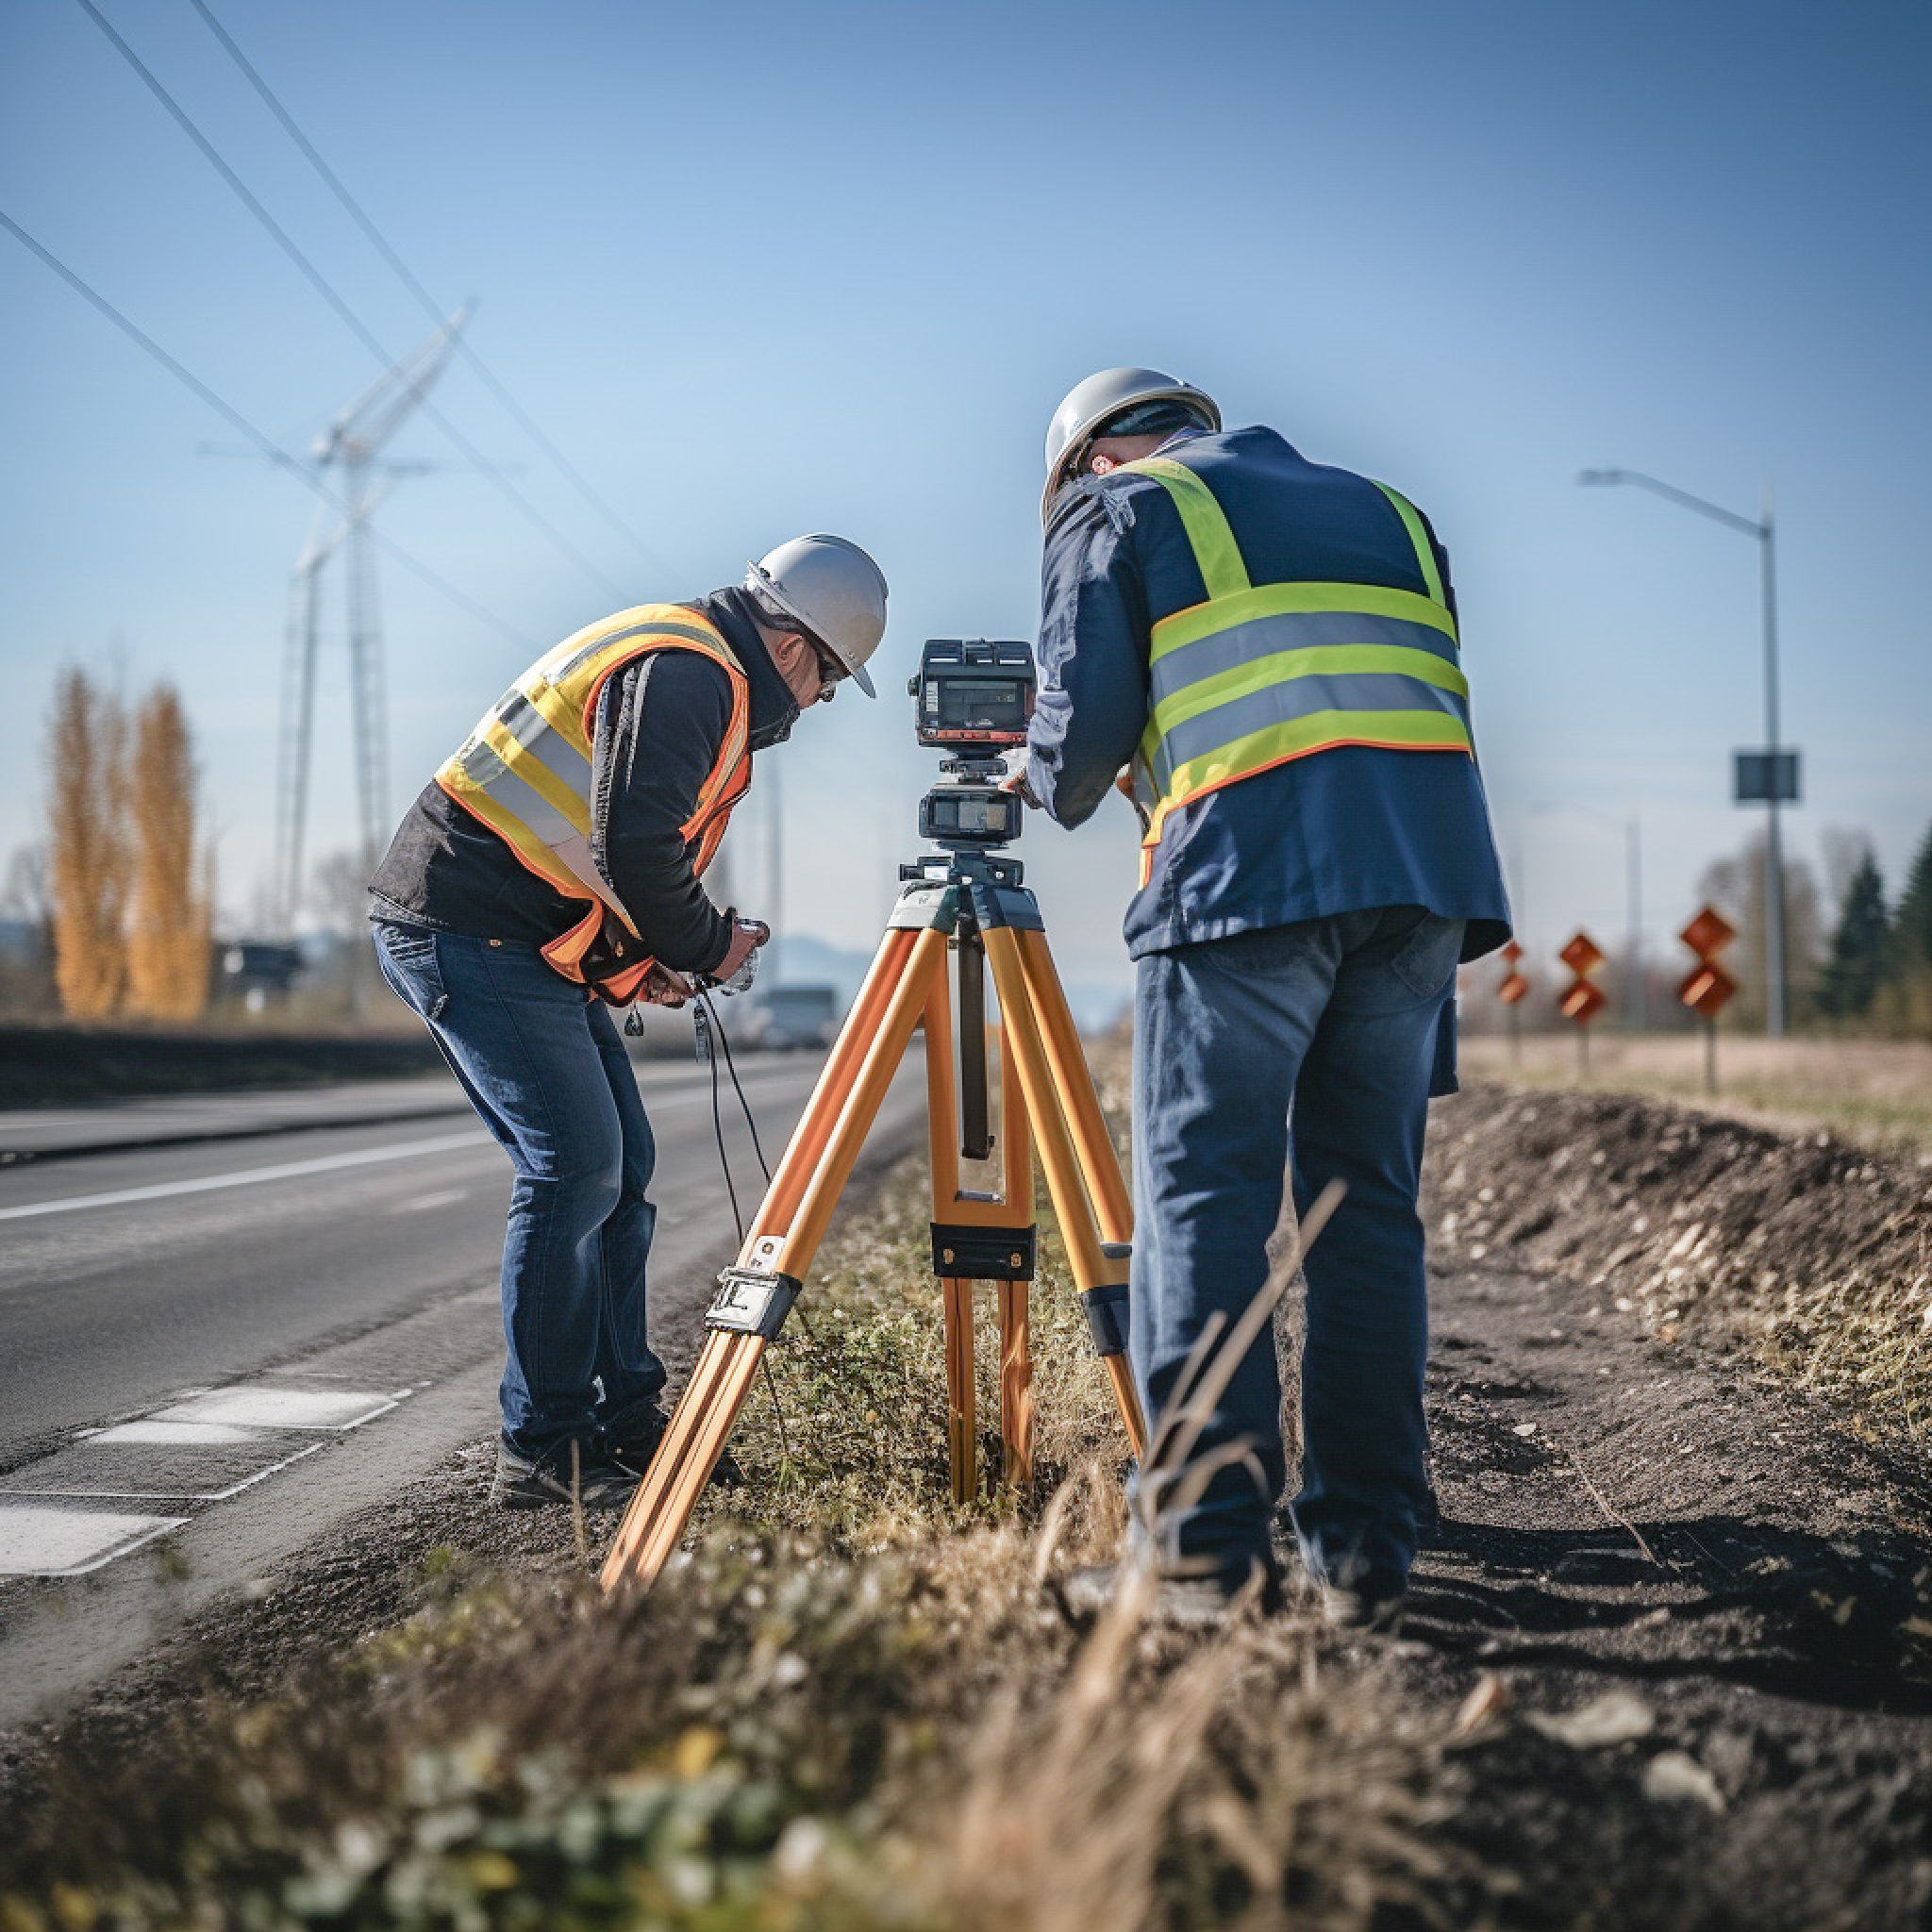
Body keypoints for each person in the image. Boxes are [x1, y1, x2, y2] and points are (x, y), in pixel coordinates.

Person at [1023, 368, 1509, 1624]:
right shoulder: (1392, 509)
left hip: (1250, 876)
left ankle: (1202, 1552)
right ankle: (1364, 1548)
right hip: (1422, 881)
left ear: (1086, 461)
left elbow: (1077, 760)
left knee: (1203, 1203)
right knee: (1365, 1213)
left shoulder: (1116, 513)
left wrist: (1027, 767)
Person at [368, 535, 889, 1508]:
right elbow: (640, 847)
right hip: (465, 926)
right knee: (575, 1169)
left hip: (518, 931)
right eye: (827, 680)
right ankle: (544, 1446)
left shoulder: (690, 658)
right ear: (791, 650)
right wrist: (707, 944)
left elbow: (584, 844)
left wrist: (634, 959)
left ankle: (623, 1419)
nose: (818, 703)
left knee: (622, 1169)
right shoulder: (693, 672)